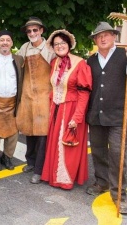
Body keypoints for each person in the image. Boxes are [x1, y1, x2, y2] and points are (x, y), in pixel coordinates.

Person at [41, 29, 92, 189]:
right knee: (55, 143)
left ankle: (65, 179)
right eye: (56, 44)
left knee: (67, 145)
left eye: (62, 43)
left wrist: (77, 117)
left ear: (69, 44)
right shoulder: (54, 63)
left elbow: (84, 93)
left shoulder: (80, 63)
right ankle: (53, 176)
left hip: (72, 109)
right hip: (56, 109)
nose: (59, 46)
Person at [85, 22, 127, 214]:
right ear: (95, 40)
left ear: (113, 37)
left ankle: (120, 193)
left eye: (107, 35)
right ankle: (101, 182)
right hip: (95, 114)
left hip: (118, 115)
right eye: (99, 36)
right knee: (98, 151)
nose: (103, 38)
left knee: (118, 154)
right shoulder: (90, 60)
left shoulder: (123, 56)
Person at [15, 17, 56, 184]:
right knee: (29, 131)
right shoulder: (23, 48)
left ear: (41, 31)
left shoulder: (51, 49)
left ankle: (39, 169)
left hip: (44, 98)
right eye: (29, 31)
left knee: (42, 135)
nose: (32, 33)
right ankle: (30, 162)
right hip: (27, 98)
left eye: (35, 30)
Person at [0, 30, 24, 171]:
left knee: (13, 133)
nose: (5, 42)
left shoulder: (19, 60)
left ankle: (7, 157)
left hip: (13, 102)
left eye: (8, 40)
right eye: (2, 40)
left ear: (12, 43)